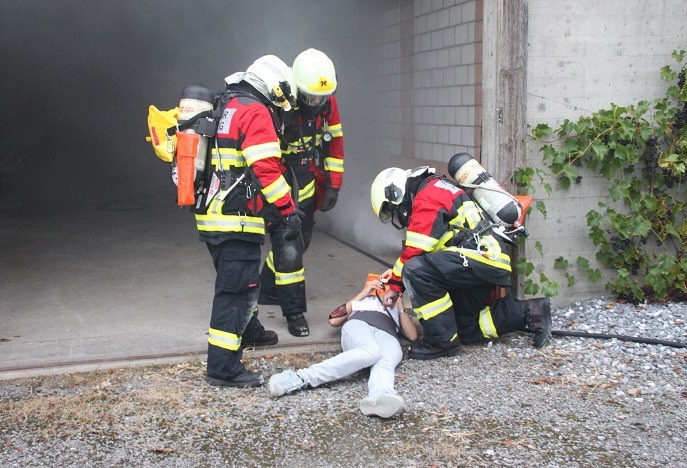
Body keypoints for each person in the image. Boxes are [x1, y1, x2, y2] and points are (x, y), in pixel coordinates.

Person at [369, 162, 552, 360]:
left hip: (479, 258)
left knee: (415, 271)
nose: (398, 216)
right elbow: (432, 247)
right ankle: (530, 311)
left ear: (395, 194)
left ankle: (441, 343)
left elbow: (416, 250)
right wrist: (395, 275)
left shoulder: (427, 196)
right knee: (464, 328)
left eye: (392, 210)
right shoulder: (435, 188)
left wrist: (396, 286)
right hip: (483, 261)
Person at [197, 55, 302, 388]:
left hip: (212, 214)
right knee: (235, 292)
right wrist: (288, 210)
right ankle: (223, 368)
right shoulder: (255, 110)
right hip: (236, 218)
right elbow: (267, 169)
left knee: (240, 283)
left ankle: (251, 331)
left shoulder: (224, 103)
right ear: (273, 86)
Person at [258, 48, 345, 337]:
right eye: (311, 98)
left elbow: (335, 143)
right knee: (290, 247)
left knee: (301, 241)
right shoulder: (280, 101)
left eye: (322, 98)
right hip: (280, 182)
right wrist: (279, 197)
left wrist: (333, 185)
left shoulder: (327, 101)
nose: (317, 103)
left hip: (306, 183)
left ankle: (268, 289)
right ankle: (294, 313)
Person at [268, 272, 418, 419]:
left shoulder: (396, 310)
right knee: (370, 352)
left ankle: (380, 397)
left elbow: (412, 335)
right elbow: (333, 320)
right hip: (360, 325)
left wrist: (399, 302)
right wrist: (365, 292)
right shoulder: (363, 302)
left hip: (387, 333)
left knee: (386, 361)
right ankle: (300, 377)